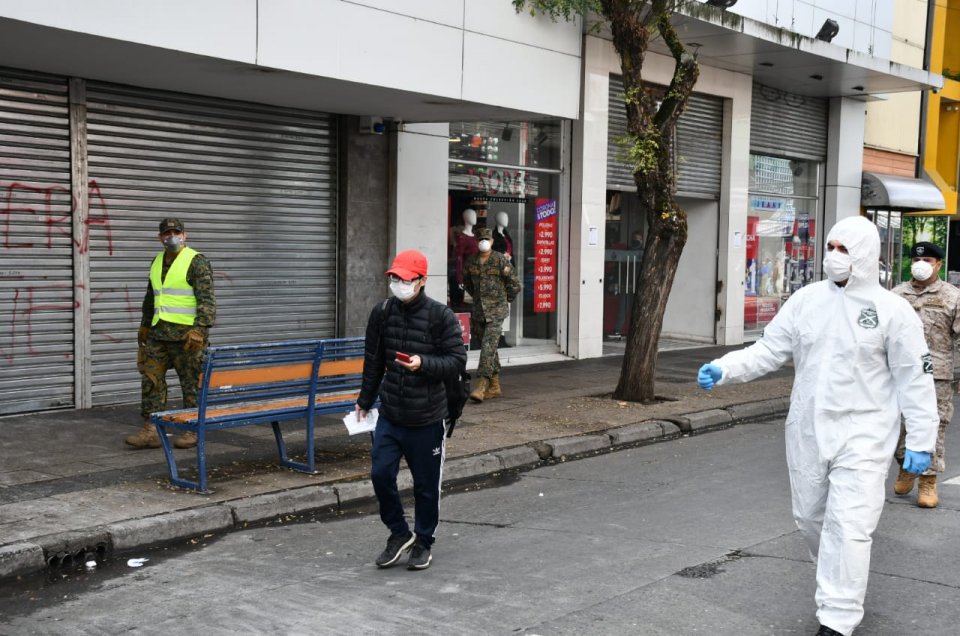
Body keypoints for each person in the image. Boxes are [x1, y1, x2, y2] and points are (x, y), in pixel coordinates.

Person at [697, 216, 937, 636]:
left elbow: (914, 378)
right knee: (810, 518)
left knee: (849, 525)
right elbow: (770, 349)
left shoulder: (892, 311)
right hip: (808, 429)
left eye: (844, 249)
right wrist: (724, 368)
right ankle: (837, 577)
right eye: (830, 246)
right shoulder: (807, 300)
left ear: (864, 254)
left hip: (864, 434)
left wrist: (920, 439)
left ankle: (838, 618)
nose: (834, 256)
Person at [355, 249, 467, 571]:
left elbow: (456, 361)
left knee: (425, 486)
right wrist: (365, 399)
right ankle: (398, 533)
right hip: (391, 413)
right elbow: (373, 361)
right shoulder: (382, 313)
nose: (398, 284)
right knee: (380, 473)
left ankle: (423, 542)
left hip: (427, 418)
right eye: (394, 278)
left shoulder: (440, 316)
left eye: (405, 279)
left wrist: (424, 363)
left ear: (421, 281)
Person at [125, 218, 216, 450]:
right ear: (160, 237)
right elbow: (151, 297)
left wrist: (200, 330)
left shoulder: (196, 261)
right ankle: (150, 430)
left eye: (176, 232)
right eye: (167, 233)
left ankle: (191, 429)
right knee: (151, 380)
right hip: (158, 333)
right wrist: (145, 324)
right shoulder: (156, 261)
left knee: (191, 384)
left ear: (184, 235)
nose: (172, 236)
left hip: (187, 337)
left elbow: (207, 300)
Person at [890, 241, 960, 508]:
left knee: (936, 426)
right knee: (897, 425)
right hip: (899, 374)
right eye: (918, 260)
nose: (922, 264)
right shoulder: (895, 295)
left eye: (929, 260)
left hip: (936, 376)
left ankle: (928, 481)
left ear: (939, 264)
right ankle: (906, 465)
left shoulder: (952, 296)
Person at [463, 227, 520, 402]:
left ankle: (481, 385)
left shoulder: (500, 260)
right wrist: (479, 300)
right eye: (480, 239)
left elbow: (514, 283)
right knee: (490, 348)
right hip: (479, 312)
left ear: (492, 241)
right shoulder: (471, 262)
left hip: (496, 312)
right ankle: (495, 387)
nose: (483, 241)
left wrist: (505, 299)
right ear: (476, 241)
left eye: (487, 238)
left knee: (488, 347)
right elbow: (469, 285)